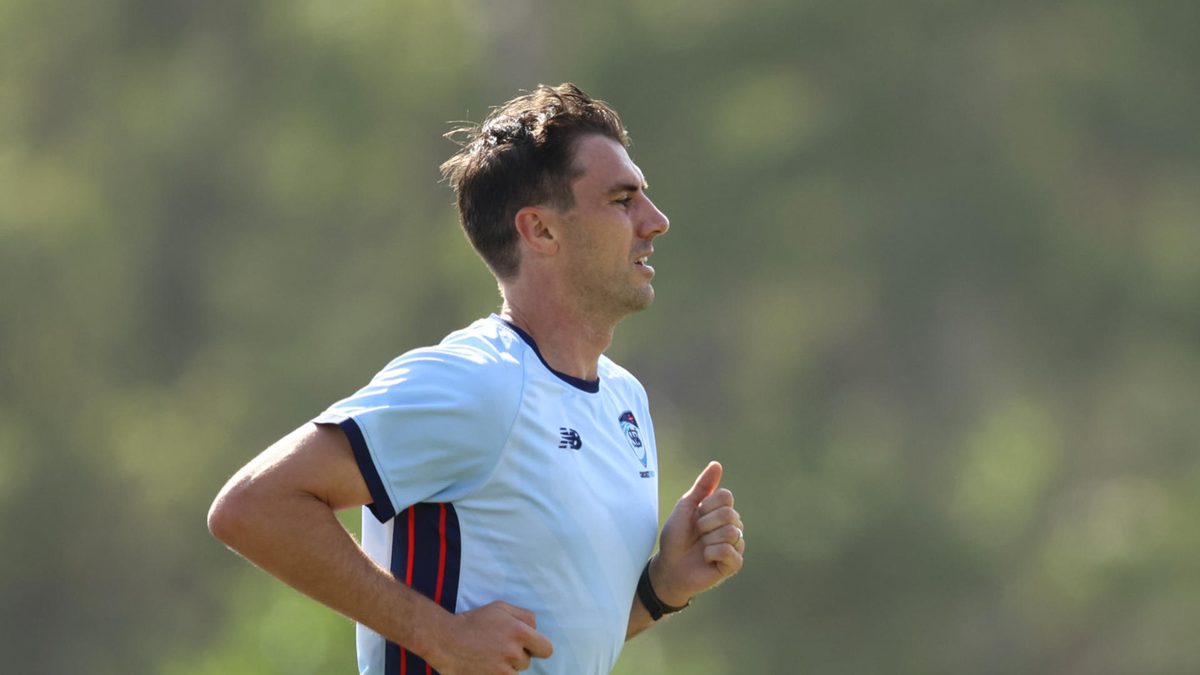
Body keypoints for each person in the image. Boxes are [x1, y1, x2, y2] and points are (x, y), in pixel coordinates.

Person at [208, 83, 745, 675]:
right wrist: (436, 634)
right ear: (541, 231)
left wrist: (660, 590)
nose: (657, 220)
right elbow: (253, 505)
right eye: (622, 200)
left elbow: (552, 647)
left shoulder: (625, 400)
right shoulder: (476, 382)